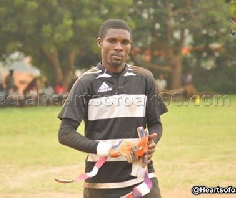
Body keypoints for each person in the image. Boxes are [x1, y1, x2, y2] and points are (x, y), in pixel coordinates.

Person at [58, 19, 167, 198]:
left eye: (125, 42)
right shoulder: (86, 82)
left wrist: (150, 144)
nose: (119, 47)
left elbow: (155, 124)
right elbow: (65, 133)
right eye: (112, 41)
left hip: (141, 180)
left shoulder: (144, 78)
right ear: (100, 43)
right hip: (102, 185)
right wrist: (107, 149)